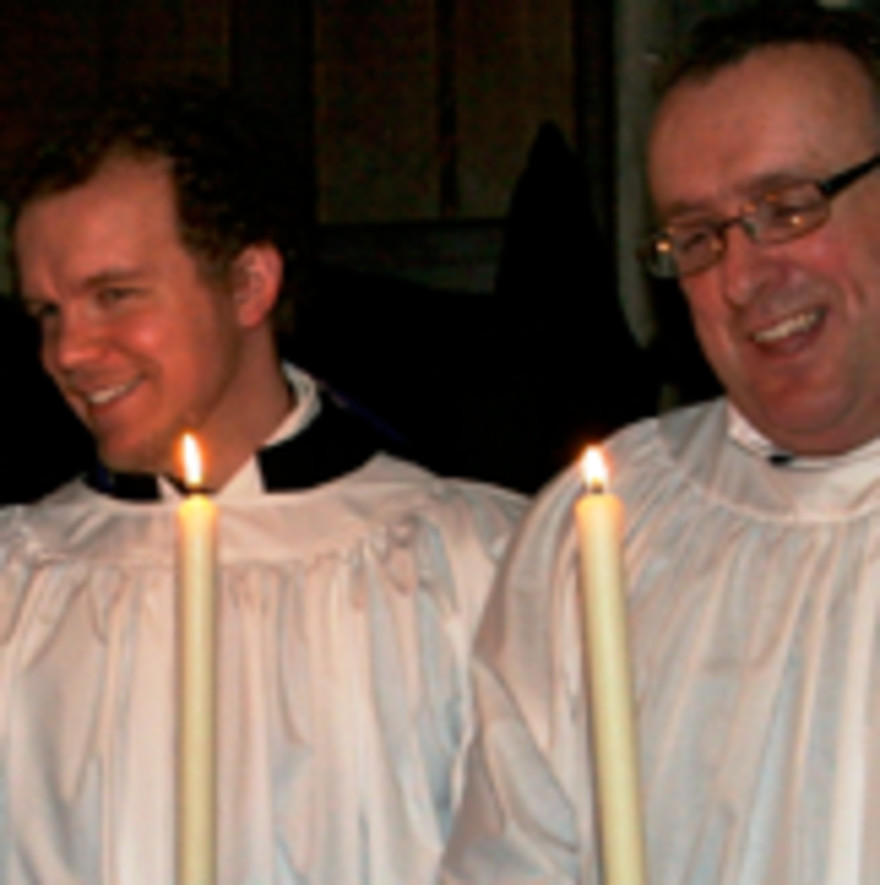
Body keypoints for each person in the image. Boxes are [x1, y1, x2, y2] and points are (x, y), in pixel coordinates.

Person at [0, 82, 525, 883]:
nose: (68, 350)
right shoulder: (17, 583)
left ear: (249, 284)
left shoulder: (471, 563)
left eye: (113, 296)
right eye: (46, 311)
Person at [442, 7, 880, 883]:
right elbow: (513, 858)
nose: (745, 276)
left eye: (789, 208)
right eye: (697, 237)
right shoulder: (603, 523)